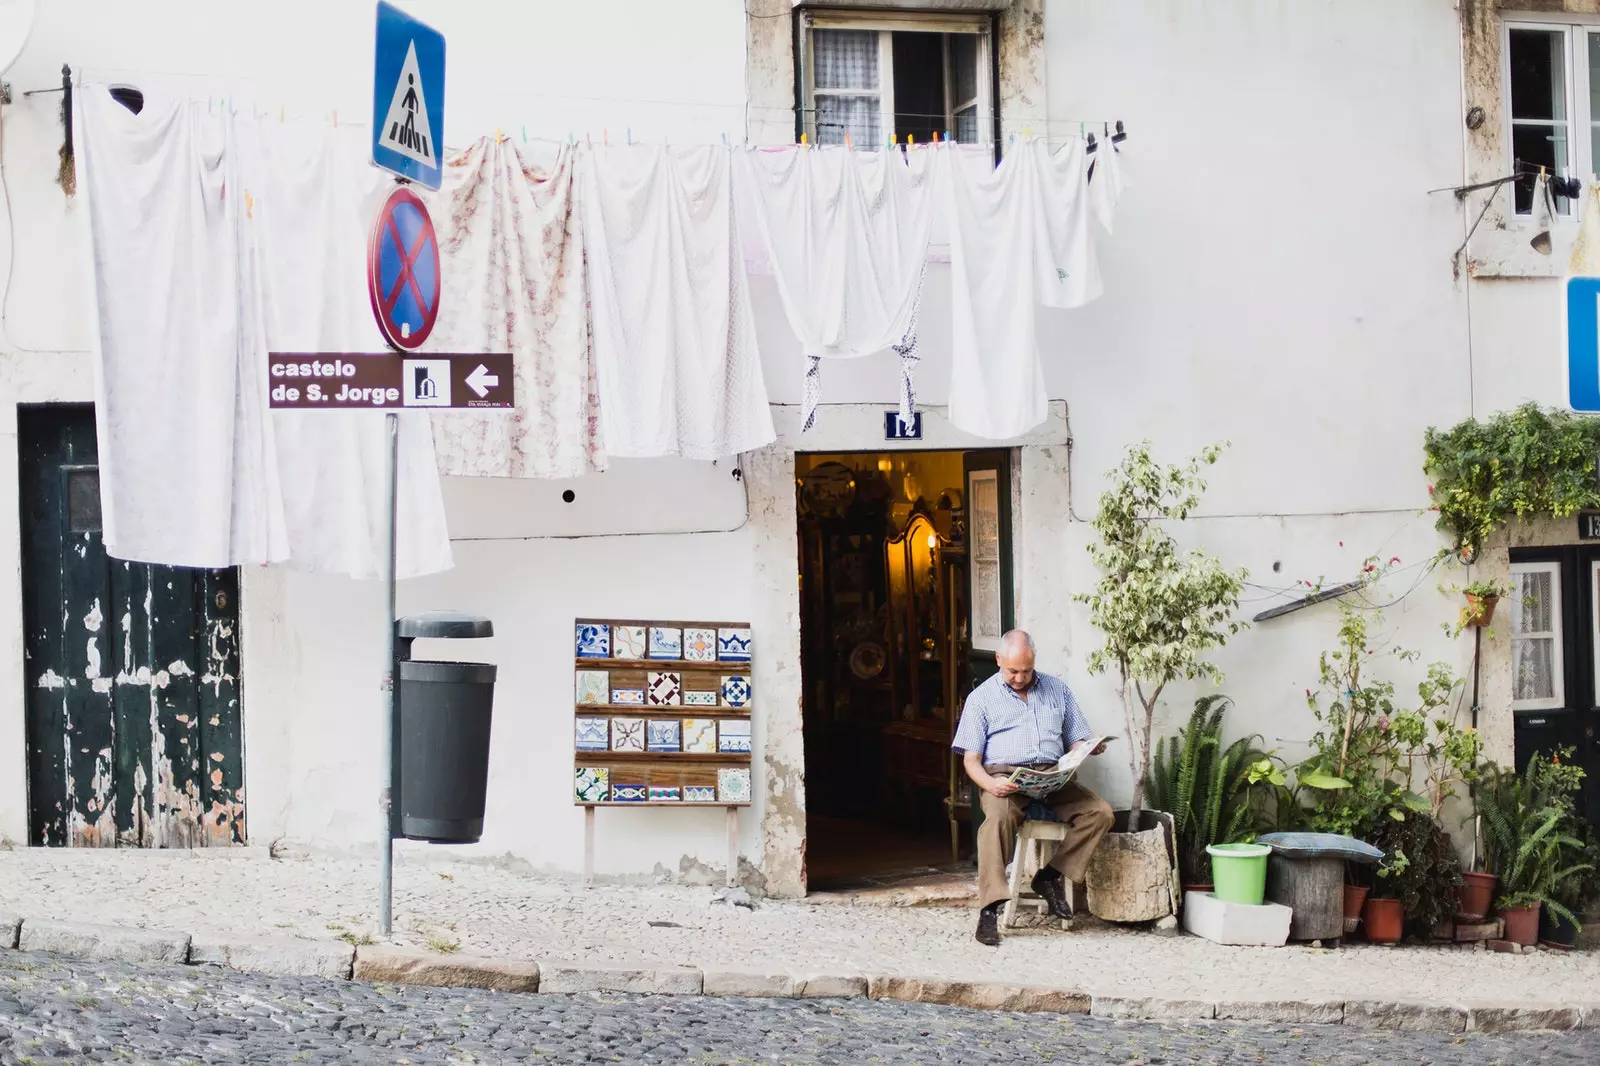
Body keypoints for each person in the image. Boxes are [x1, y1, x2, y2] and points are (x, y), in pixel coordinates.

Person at [951, 629, 1113, 946]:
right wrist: (990, 785)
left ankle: (1049, 876)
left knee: (1101, 813)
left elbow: (1076, 738)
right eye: (1013, 671)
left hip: (1053, 776)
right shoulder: (981, 699)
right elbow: (971, 761)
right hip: (1006, 780)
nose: (1020, 677)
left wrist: (1086, 748)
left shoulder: (1057, 689)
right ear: (998, 660)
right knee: (995, 821)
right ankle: (989, 910)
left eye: (1026, 670)